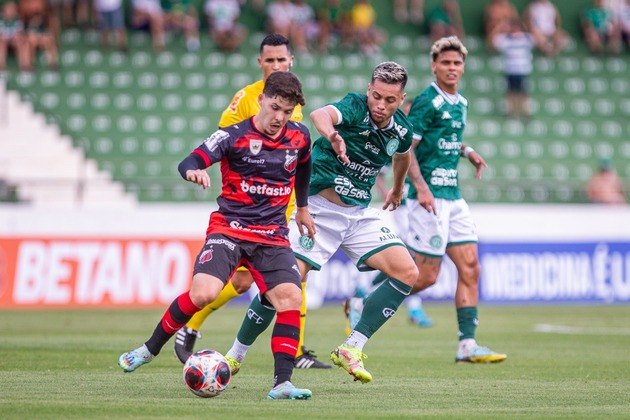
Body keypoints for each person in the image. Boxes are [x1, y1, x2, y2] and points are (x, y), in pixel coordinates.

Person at [118, 71, 316, 400]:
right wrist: (193, 170)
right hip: (230, 229)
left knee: (291, 299)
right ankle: (149, 349)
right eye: (275, 108)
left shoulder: (299, 136)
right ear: (263, 99)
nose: (279, 117)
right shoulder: (232, 135)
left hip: (272, 234)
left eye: (287, 111)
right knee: (204, 293)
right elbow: (192, 159)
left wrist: (304, 208)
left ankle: (282, 383)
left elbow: (304, 166)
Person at [222, 61, 421, 384]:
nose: (381, 105)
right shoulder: (355, 107)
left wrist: (397, 189)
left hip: (357, 215)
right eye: (377, 96)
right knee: (282, 288)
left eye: (390, 100)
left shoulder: (401, 129)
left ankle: (352, 347)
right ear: (369, 90)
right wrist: (333, 135)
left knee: (407, 271)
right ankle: (236, 354)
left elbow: (402, 155)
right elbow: (320, 115)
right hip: (317, 212)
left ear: (401, 99)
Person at [174, 33, 331, 370]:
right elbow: (224, 147)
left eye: (281, 59)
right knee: (244, 281)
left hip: (286, 206)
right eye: (269, 60)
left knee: (296, 278)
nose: (276, 65)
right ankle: (193, 324)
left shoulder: (294, 100)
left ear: (291, 61)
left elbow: (300, 156)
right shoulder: (246, 98)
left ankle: (296, 350)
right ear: (260, 63)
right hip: (249, 210)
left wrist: (302, 206)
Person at [405, 36, 506, 364]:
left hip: (454, 195)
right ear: (434, 66)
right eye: (445, 62)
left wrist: (468, 151)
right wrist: (420, 187)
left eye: (457, 63)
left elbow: (446, 140)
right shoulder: (426, 101)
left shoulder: (460, 102)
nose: (452, 68)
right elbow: (407, 149)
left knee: (471, 268)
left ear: (463, 68)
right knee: (426, 277)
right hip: (429, 197)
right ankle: (366, 298)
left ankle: (467, 345)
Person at [493, 19, 534, 120]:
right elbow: (493, 42)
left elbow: (537, 39)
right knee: (510, 92)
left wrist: (526, 28)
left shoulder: (526, 38)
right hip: (510, 70)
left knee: (523, 93)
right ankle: (511, 113)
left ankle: (526, 113)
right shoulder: (505, 40)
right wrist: (501, 27)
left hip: (523, 70)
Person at [0, 1, 31, 72]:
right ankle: (1, 69)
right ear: (4, 9)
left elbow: (20, 33)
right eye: (9, 9)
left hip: (14, 42)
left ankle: (25, 68)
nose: (11, 11)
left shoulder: (18, 19)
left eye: (13, 9)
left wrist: (17, 37)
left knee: (22, 43)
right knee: (1, 44)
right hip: (3, 42)